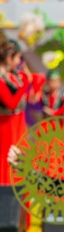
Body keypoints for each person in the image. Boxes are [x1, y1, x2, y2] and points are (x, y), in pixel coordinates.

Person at [0, 40, 31, 185]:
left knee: (20, 159)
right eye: (18, 57)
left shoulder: (13, 75)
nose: (19, 62)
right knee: (7, 161)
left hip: (18, 124)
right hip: (6, 126)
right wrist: (25, 83)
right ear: (9, 58)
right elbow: (11, 104)